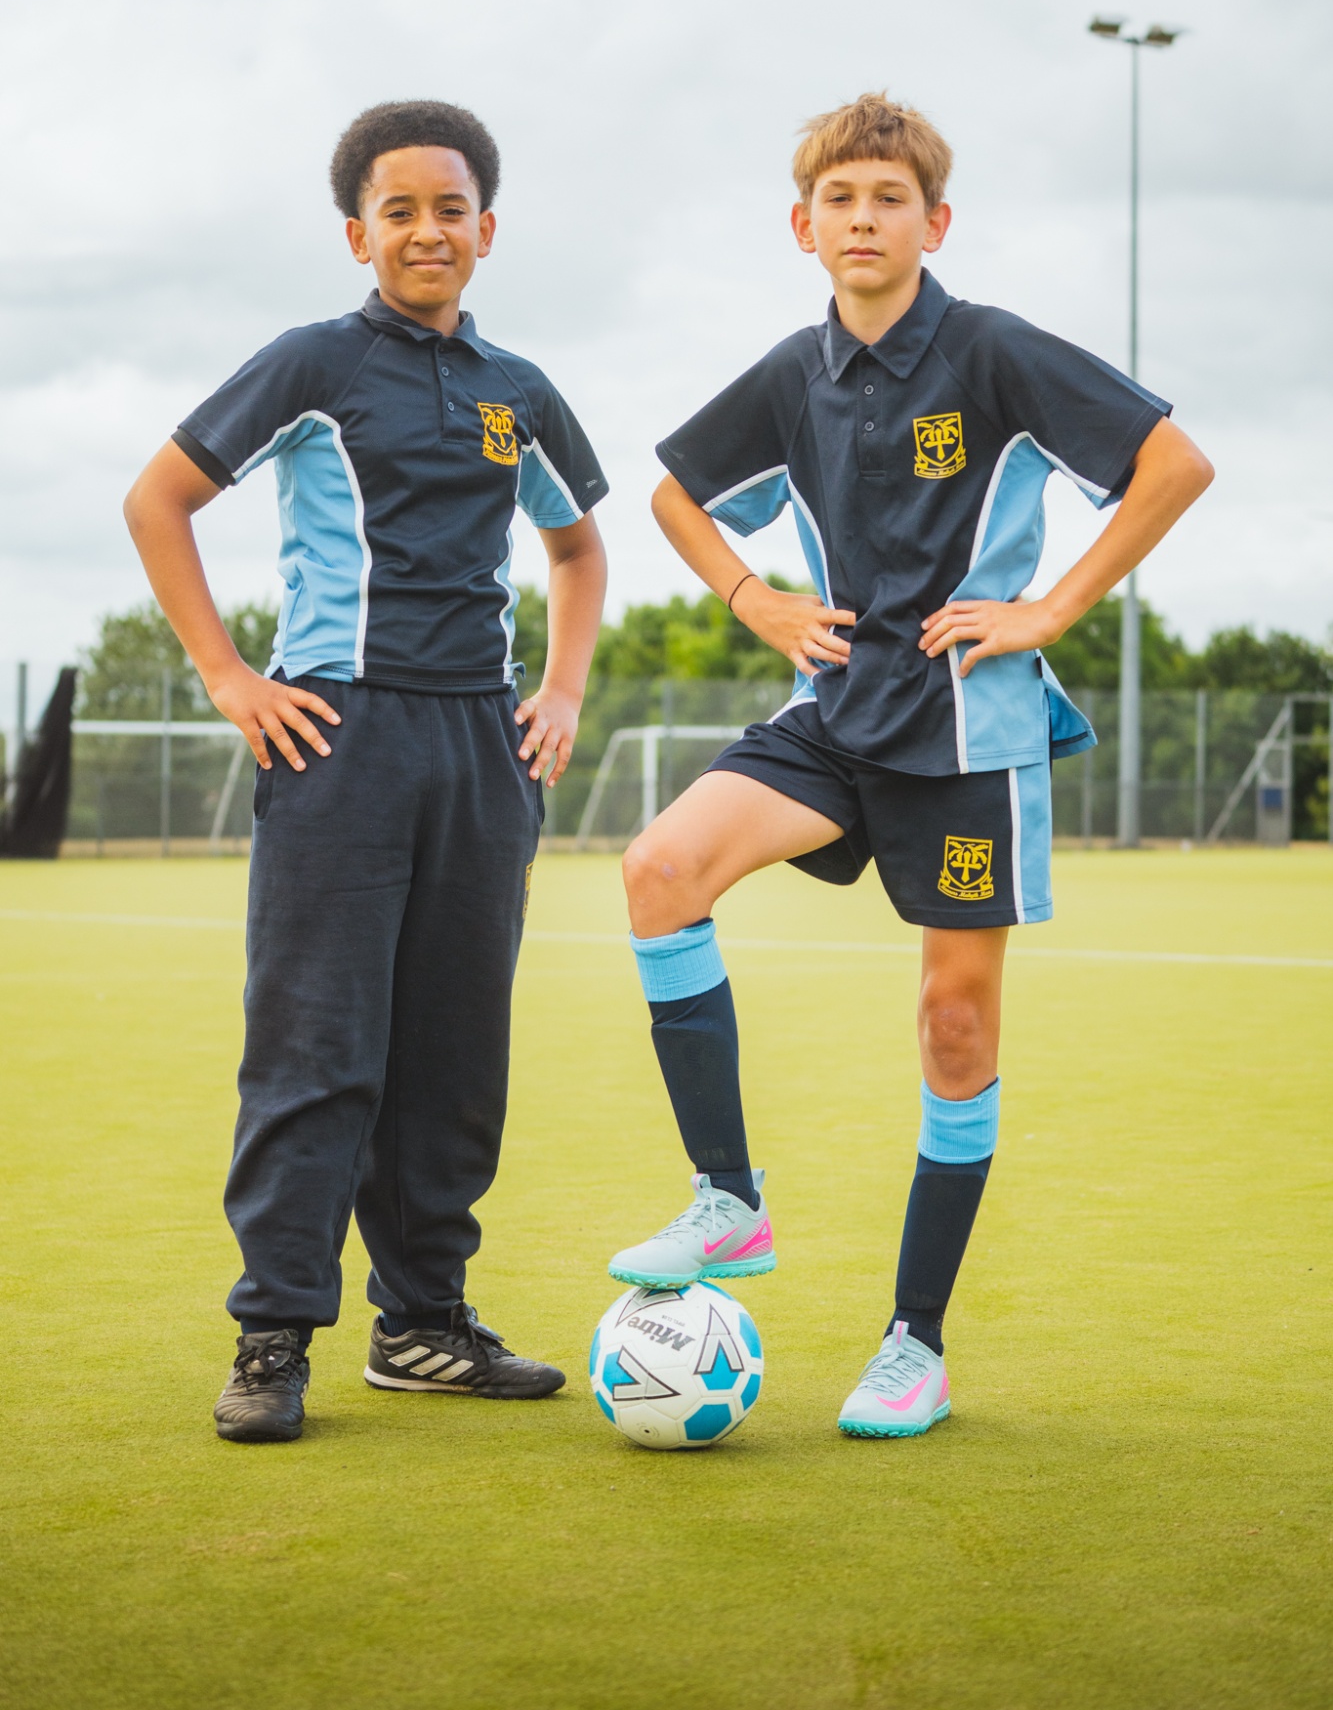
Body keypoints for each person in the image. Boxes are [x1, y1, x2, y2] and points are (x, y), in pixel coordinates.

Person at [611, 92, 1212, 1437]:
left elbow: (1173, 463)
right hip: (830, 709)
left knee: (952, 1028)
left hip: (966, 734)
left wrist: (1051, 609)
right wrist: (747, 595)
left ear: (933, 221)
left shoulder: (993, 353)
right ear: (801, 225)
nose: (863, 219)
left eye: (888, 199)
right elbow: (670, 494)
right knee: (659, 869)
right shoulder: (790, 372)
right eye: (839, 200)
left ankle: (913, 1344)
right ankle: (730, 1202)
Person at [124, 99, 608, 1442]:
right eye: (397, 211)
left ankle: (425, 1327)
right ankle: (273, 1334)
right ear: (359, 233)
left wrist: (559, 692)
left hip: (480, 745)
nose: (425, 230)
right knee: (318, 1047)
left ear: (486, 230)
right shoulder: (310, 365)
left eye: (449, 208)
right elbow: (156, 499)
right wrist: (230, 677)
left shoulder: (520, 392)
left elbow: (577, 550)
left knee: (454, 1051)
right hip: (336, 735)